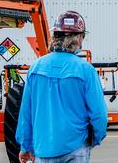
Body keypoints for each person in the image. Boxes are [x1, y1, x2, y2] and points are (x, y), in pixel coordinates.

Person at [16, 10, 108, 163]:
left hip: (43, 150)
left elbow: (26, 113)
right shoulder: (85, 70)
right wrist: (94, 139)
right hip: (76, 148)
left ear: (55, 37)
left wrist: (26, 146)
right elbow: (99, 115)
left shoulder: (36, 67)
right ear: (79, 38)